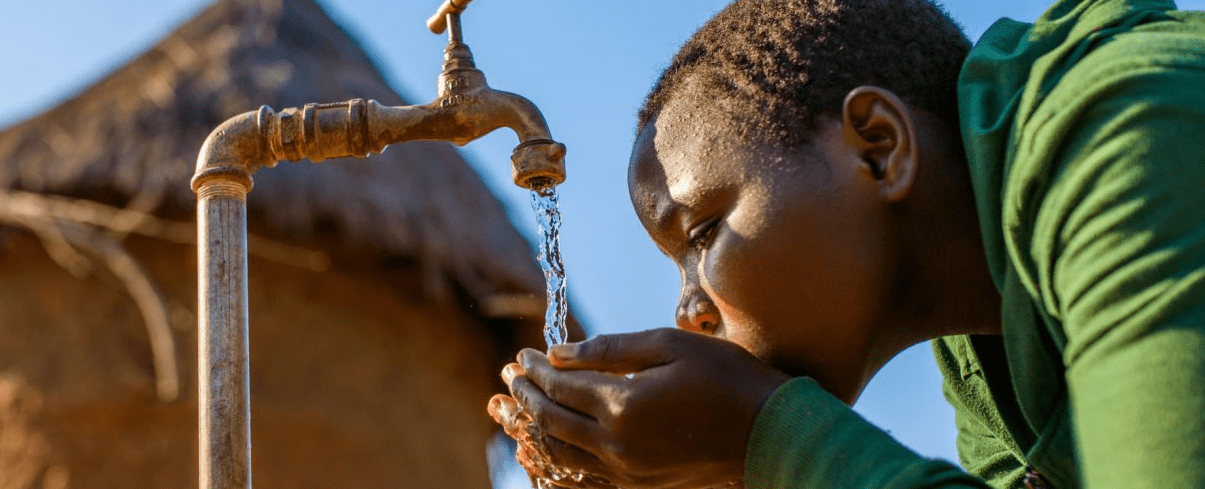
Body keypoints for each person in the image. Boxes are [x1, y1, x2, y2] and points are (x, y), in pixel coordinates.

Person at [487, 0, 1205, 487]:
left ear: (878, 147)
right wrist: (734, 463)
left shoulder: (1130, 139)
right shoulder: (989, 359)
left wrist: (768, 435)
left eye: (702, 234)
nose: (688, 311)